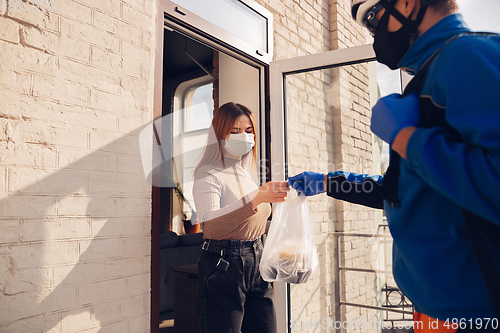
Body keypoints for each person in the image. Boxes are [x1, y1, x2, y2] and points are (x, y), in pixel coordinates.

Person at [288, 0, 500, 332]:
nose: (374, 35)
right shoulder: (431, 73)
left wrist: (405, 138)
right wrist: (329, 182)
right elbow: (406, 190)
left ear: (407, 3)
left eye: (373, 19)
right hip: (439, 309)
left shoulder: (466, 57)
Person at [193, 102, 289, 333]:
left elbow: (244, 222)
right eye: (235, 131)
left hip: (255, 258)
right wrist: (257, 197)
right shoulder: (208, 172)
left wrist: (276, 225)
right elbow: (211, 227)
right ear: (219, 134)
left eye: (248, 131)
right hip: (224, 265)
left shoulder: (243, 172)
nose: (244, 137)